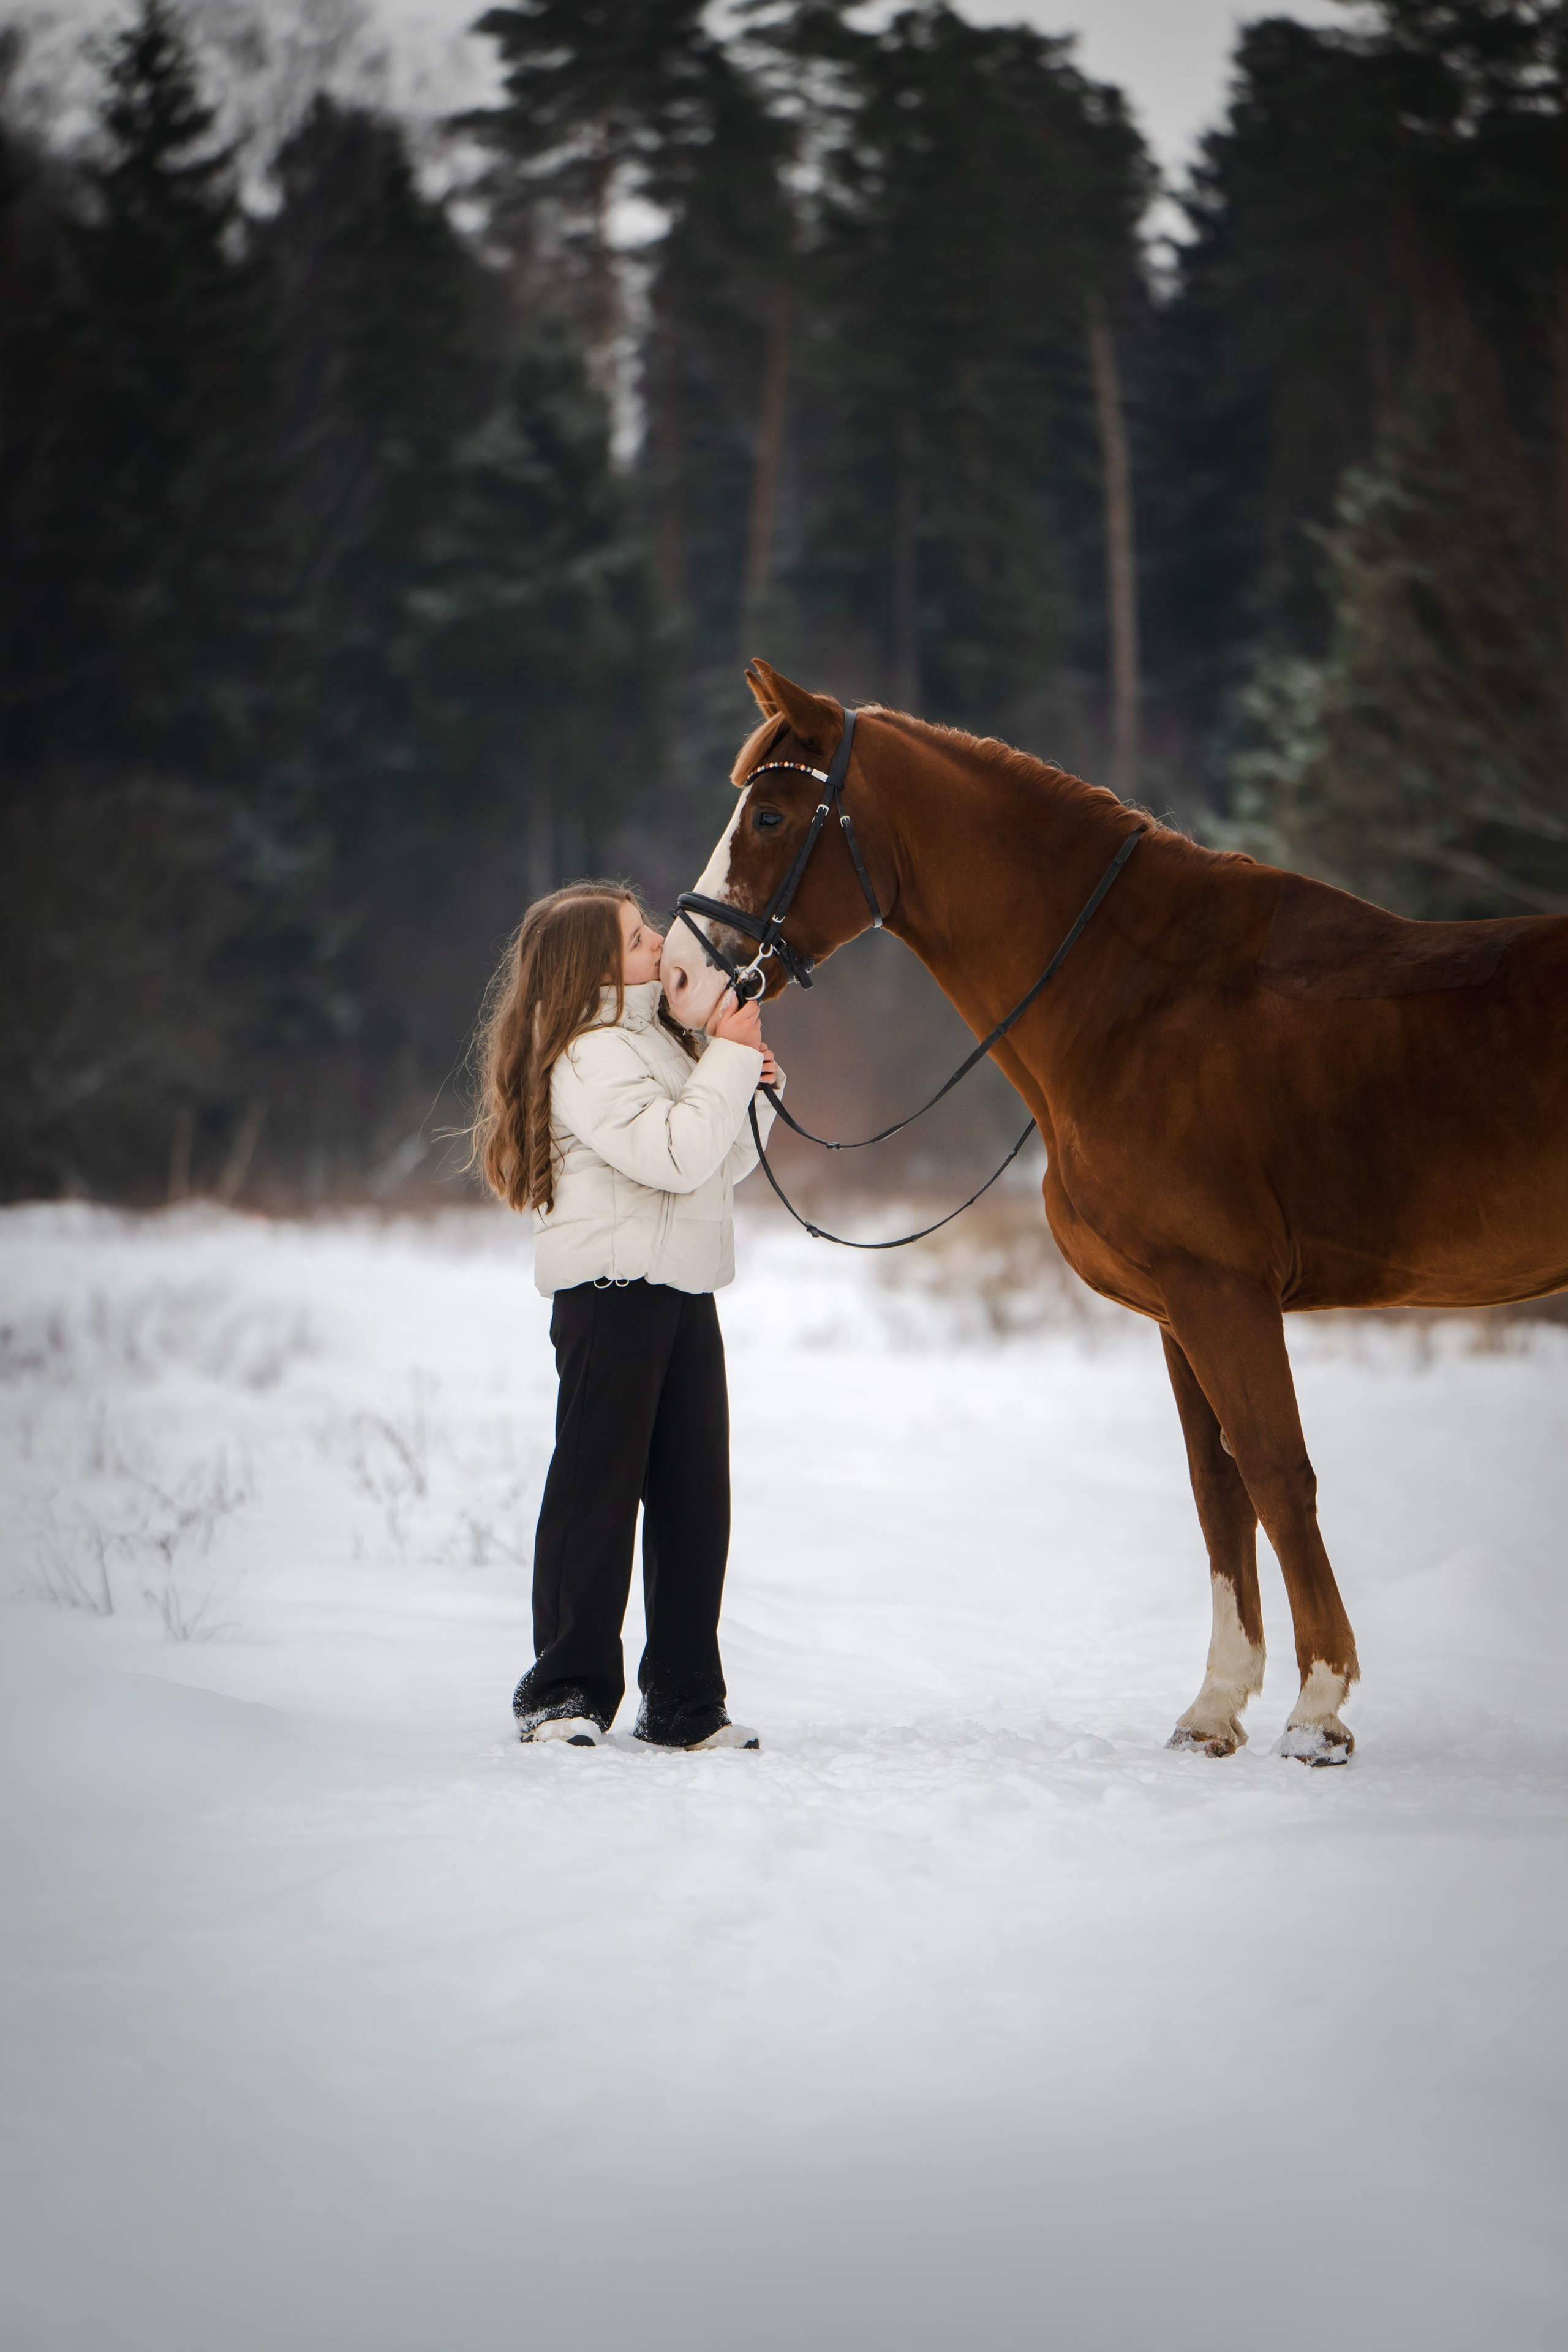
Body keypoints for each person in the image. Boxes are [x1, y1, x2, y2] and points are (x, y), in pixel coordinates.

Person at [472, 882, 780, 1751]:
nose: (660, 946)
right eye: (640, 938)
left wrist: (748, 1078)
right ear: (595, 966)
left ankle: (684, 1703)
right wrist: (721, 1062)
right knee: (596, 1494)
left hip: (681, 1292)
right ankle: (562, 1692)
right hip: (611, 1296)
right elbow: (677, 1155)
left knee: (694, 1499)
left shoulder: (660, 1044)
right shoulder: (588, 1052)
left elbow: (722, 1165)